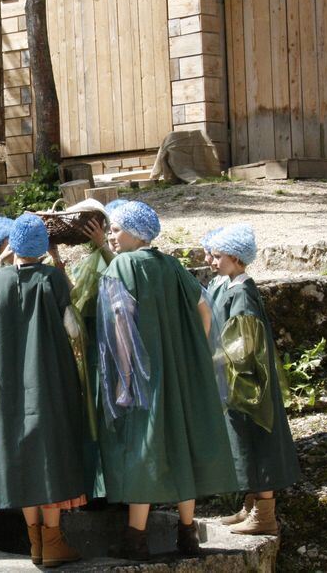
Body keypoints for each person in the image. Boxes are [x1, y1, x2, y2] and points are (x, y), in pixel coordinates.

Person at [96, 201, 238, 560]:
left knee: (145, 448)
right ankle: (188, 533)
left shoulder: (122, 267)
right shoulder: (172, 265)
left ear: (134, 232)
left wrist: (126, 376)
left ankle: (135, 539)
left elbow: (120, 327)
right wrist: (193, 354)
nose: (111, 236)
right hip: (182, 373)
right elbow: (204, 309)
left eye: (115, 229)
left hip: (145, 378)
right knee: (182, 446)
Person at [0, 213, 87, 568]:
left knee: (20, 457)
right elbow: (73, 330)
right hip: (50, 383)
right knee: (49, 456)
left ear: (13, 247)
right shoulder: (52, 279)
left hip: (7, 387)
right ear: (42, 247)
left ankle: (36, 541)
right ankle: (52, 541)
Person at [206, 224, 300, 536]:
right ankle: (250, 505)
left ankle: (265, 515)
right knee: (243, 440)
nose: (211, 260)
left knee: (259, 440)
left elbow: (243, 345)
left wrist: (217, 361)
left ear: (235, 257)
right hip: (234, 378)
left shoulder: (242, 294)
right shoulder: (228, 286)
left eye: (217, 256)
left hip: (247, 381)